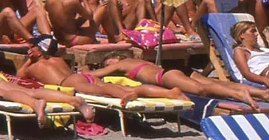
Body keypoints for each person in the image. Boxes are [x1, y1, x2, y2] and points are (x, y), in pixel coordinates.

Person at [18, 36, 184, 106]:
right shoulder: (58, 60)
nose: (29, 50)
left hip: (70, 83)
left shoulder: (35, 66)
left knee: (103, 90)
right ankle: (169, 93)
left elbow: (19, 75)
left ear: (40, 51)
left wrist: (29, 61)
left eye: (32, 47)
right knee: (127, 87)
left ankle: (123, 95)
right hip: (79, 76)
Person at [89, 56, 269, 112]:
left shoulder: (123, 63)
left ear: (115, 58)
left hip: (165, 77)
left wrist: (88, 73)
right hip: (172, 70)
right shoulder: (138, 60)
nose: (110, 67)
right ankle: (264, 94)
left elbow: (97, 74)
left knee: (202, 90)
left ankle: (240, 95)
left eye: (109, 63)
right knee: (213, 83)